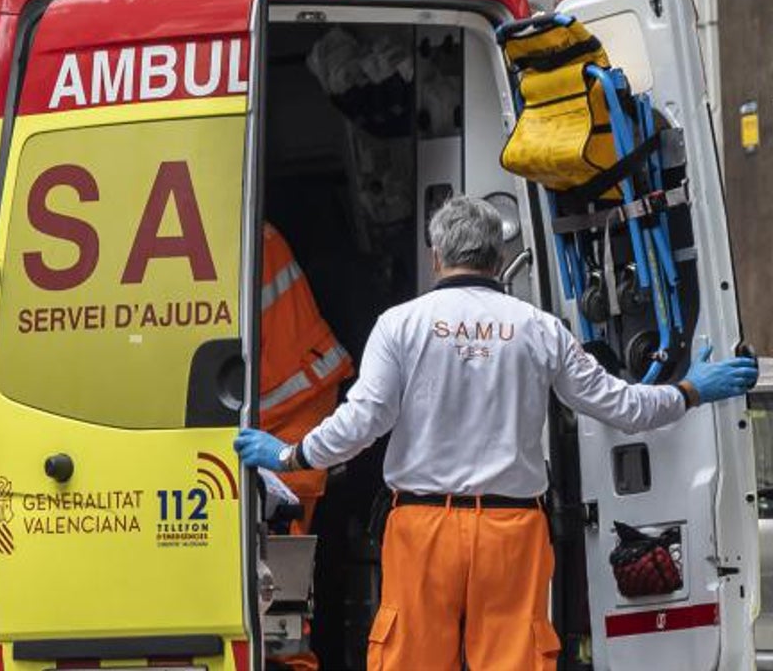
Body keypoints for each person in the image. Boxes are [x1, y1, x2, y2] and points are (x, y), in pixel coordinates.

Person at [236, 196, 758, 671]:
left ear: (436, 256)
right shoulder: (539, 327)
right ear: (496, 257)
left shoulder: (401, 324)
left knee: (408, 660)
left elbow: (360, 424)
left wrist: (289, 454)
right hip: (512, 532)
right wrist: (692, 389)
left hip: (422, 528)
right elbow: (621, 407)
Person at [260, 223, 354, 671]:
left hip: (289, 407)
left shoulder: (231, 230)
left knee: (278, 560)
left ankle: (291, 661)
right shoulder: (256, 232)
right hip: (292, 396)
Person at [260, 222, 354, 535]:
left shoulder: (234, 232)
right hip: (298, 388)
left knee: (279, 543)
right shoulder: (258, 233)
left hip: (289, 399)